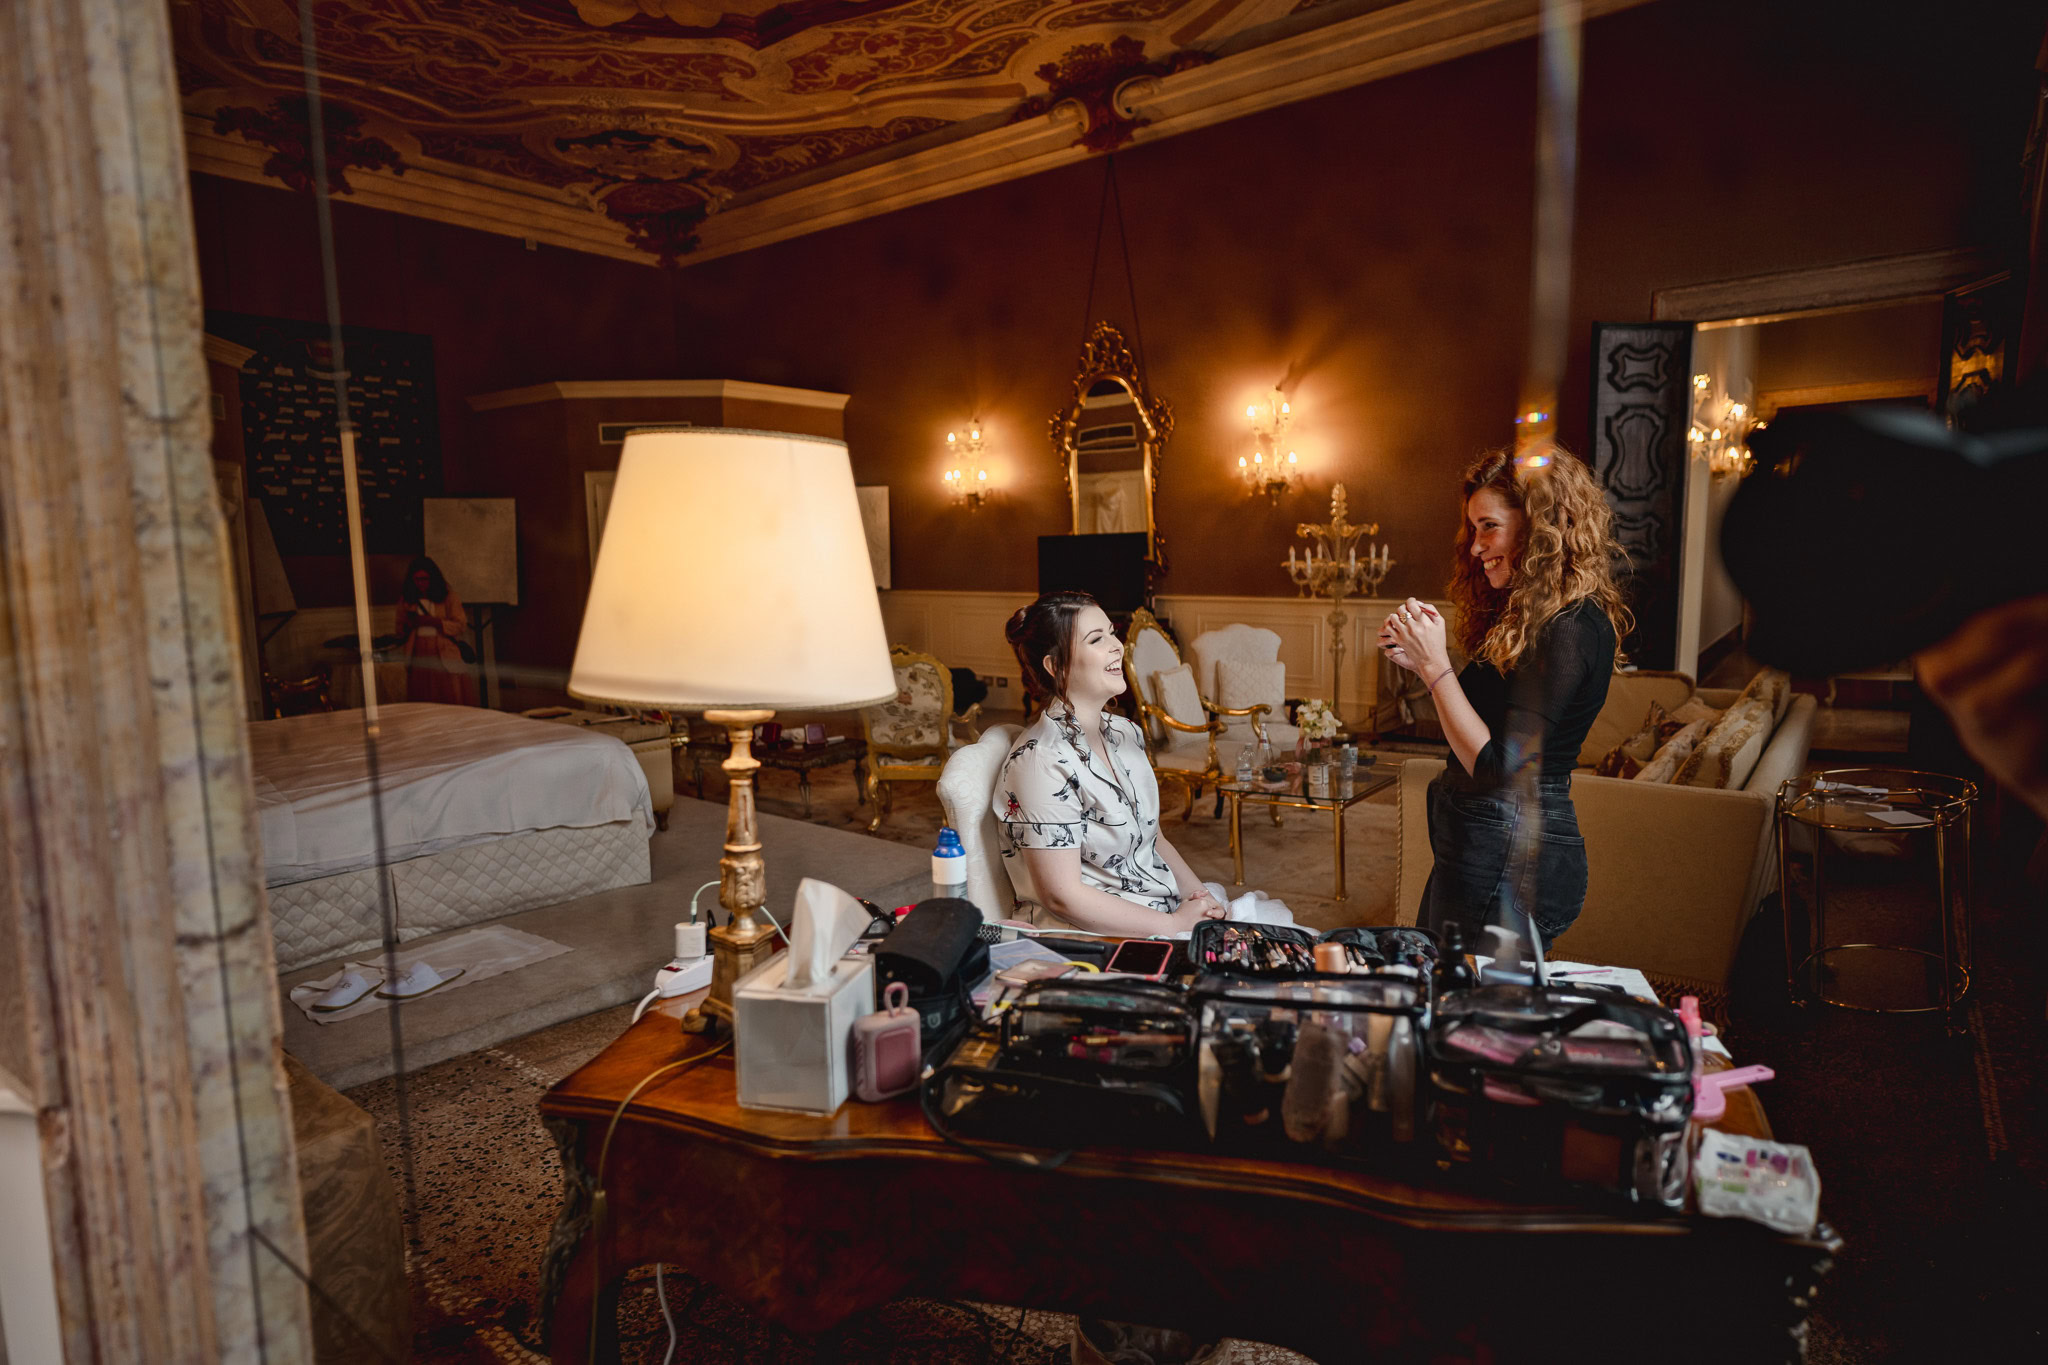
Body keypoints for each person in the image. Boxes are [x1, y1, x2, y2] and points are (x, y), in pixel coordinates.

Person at [1378, 447, 1632, 949]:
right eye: (1473, 529)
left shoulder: (1571, 628)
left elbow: (1499, 768)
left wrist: (1436, 668)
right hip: (1485, 841)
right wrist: (1421, 660)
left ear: (1540, 527)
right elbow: (1481, 723)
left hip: (1513, 849)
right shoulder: (1529, 620)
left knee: (1469, 1006)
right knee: (1446, 985)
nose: (1475, 547)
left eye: (1488, 526)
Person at [994, 591, 1230, 935]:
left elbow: (1153, 838)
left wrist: (1204, 899)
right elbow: (1061, 897)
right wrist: (1174, 925)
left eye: (1111, 633)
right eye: (1096, 639)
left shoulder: (1125, 732)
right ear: (1056, 666)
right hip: (1094, 939)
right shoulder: (1039, 762)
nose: (1117, 646)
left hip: (1161, 912)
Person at [395, 555, 476, 706]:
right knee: (423, 696)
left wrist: (435, 622)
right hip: (418, 651)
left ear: (432, 578)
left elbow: (460, 625)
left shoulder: (448, 596)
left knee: (449, 694)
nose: (421, 584)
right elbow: (399, 630)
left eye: (425, 579)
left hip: (443, 651)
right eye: (417, 580)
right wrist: (411, 624)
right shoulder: (406, 599)